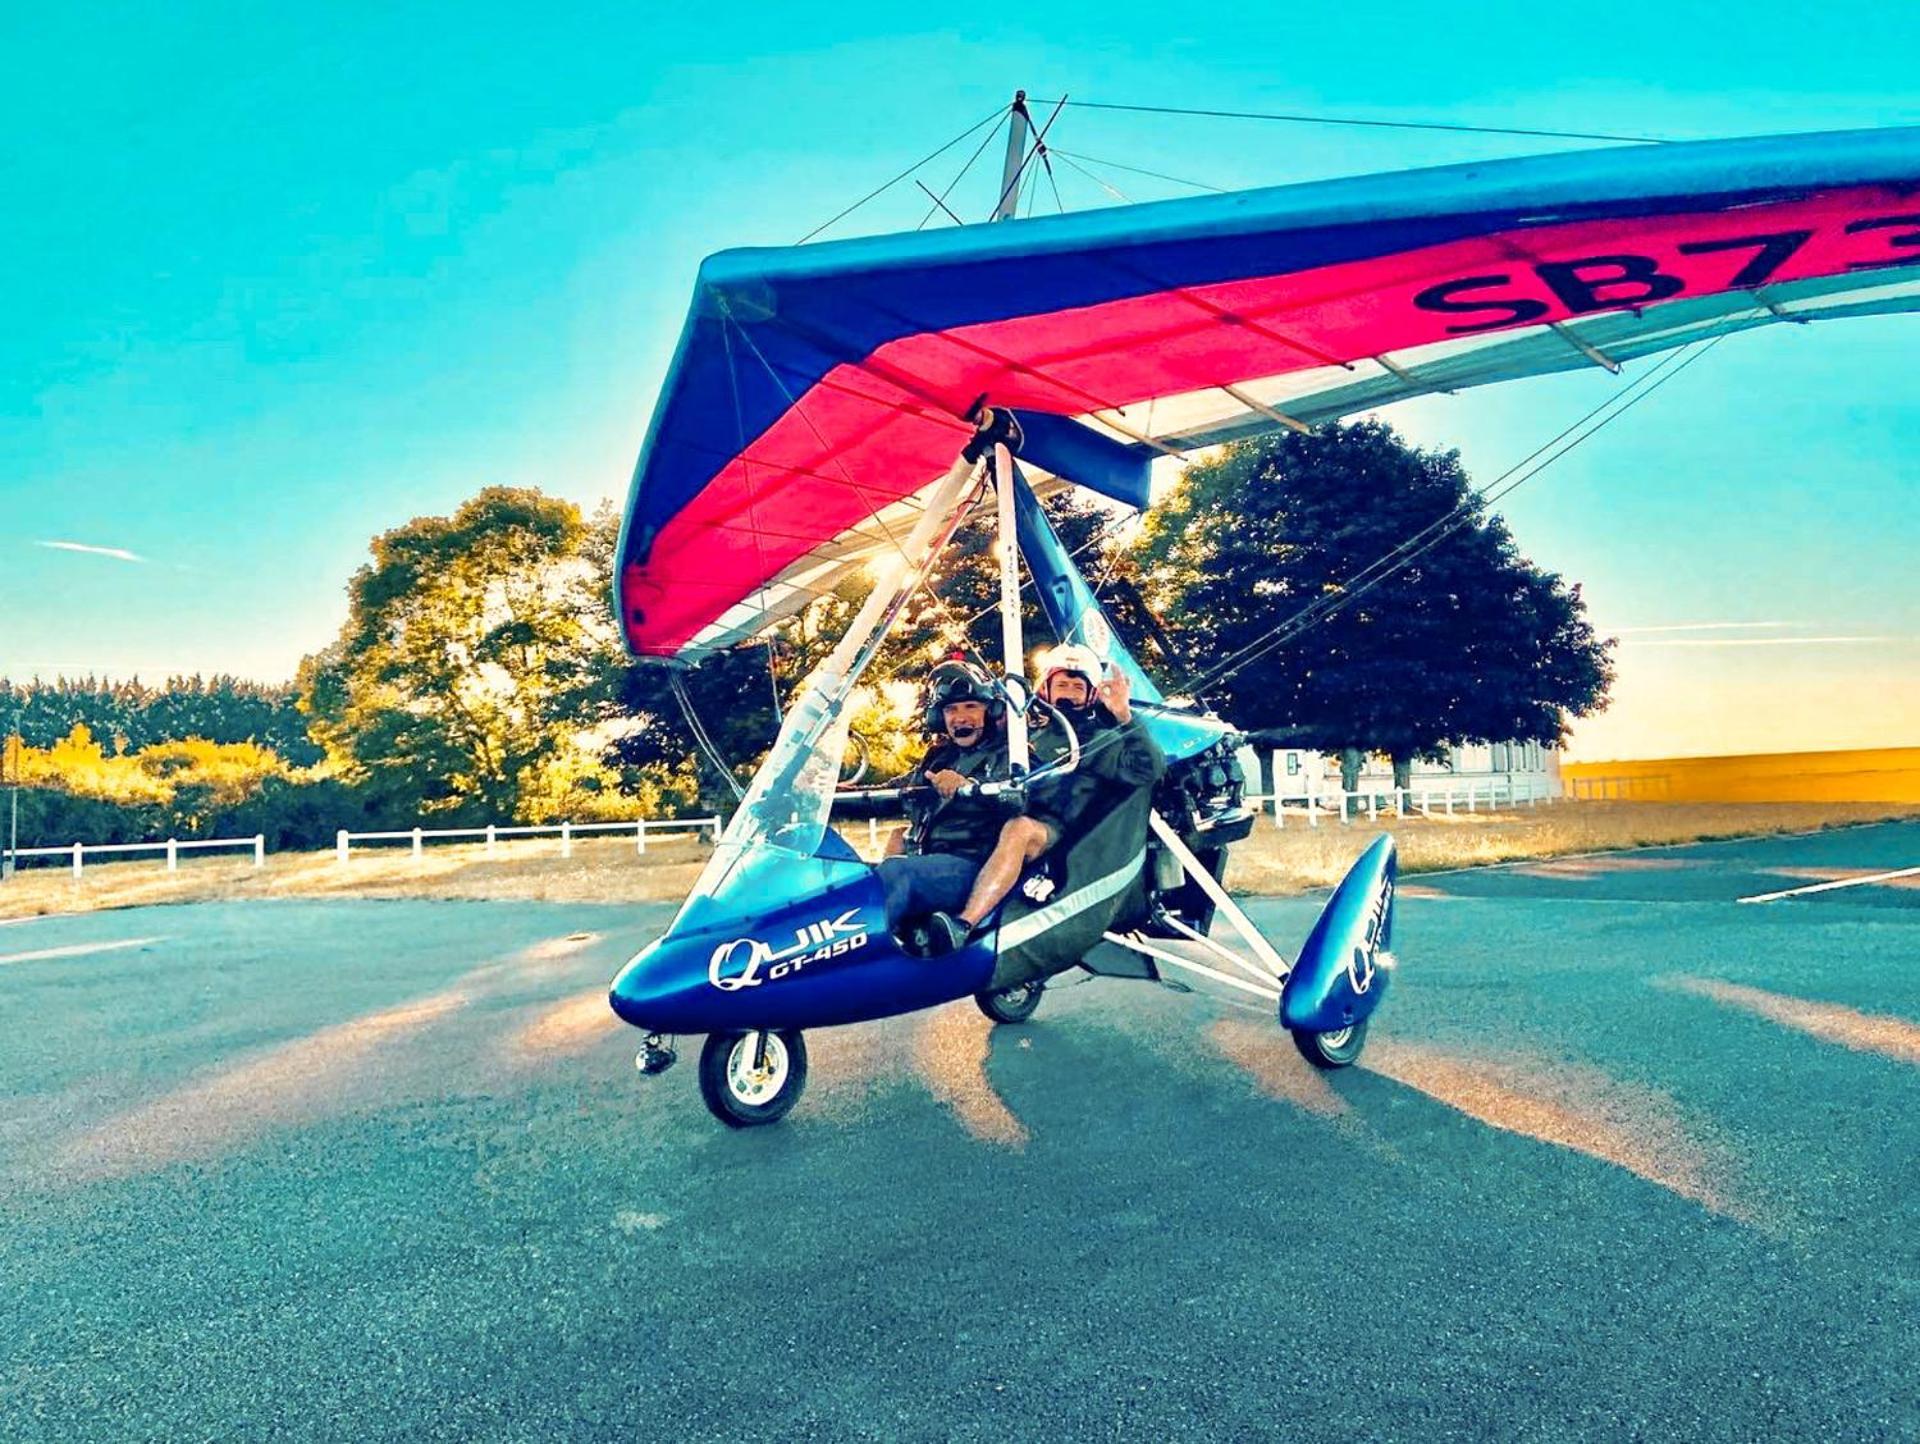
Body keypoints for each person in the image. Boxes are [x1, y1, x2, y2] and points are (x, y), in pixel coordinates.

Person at [920, 644, 1166, 952]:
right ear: (1045, 688)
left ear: (1091, 694)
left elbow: (1149, 769)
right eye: (1062, 684)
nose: (1070, 693)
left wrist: (1124, 716)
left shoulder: (1098, 738)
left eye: (1079, 687)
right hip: (1007, 810)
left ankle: (964, 925)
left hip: (1059, 831)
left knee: (1019, 828)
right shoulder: (1025, 731)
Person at [876, 661, 1015, 948]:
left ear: (991, 711)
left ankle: (864, 956)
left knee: (895, 872)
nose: (960, 718)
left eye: (970, 706)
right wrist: (825, 796)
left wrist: (970, 787)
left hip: (973, 865)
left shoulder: (1010, 754)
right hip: (930, 861)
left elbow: (1023, 798)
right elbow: (893, 794)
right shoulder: (939, 757)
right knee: (858, 877)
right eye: (951, 710)